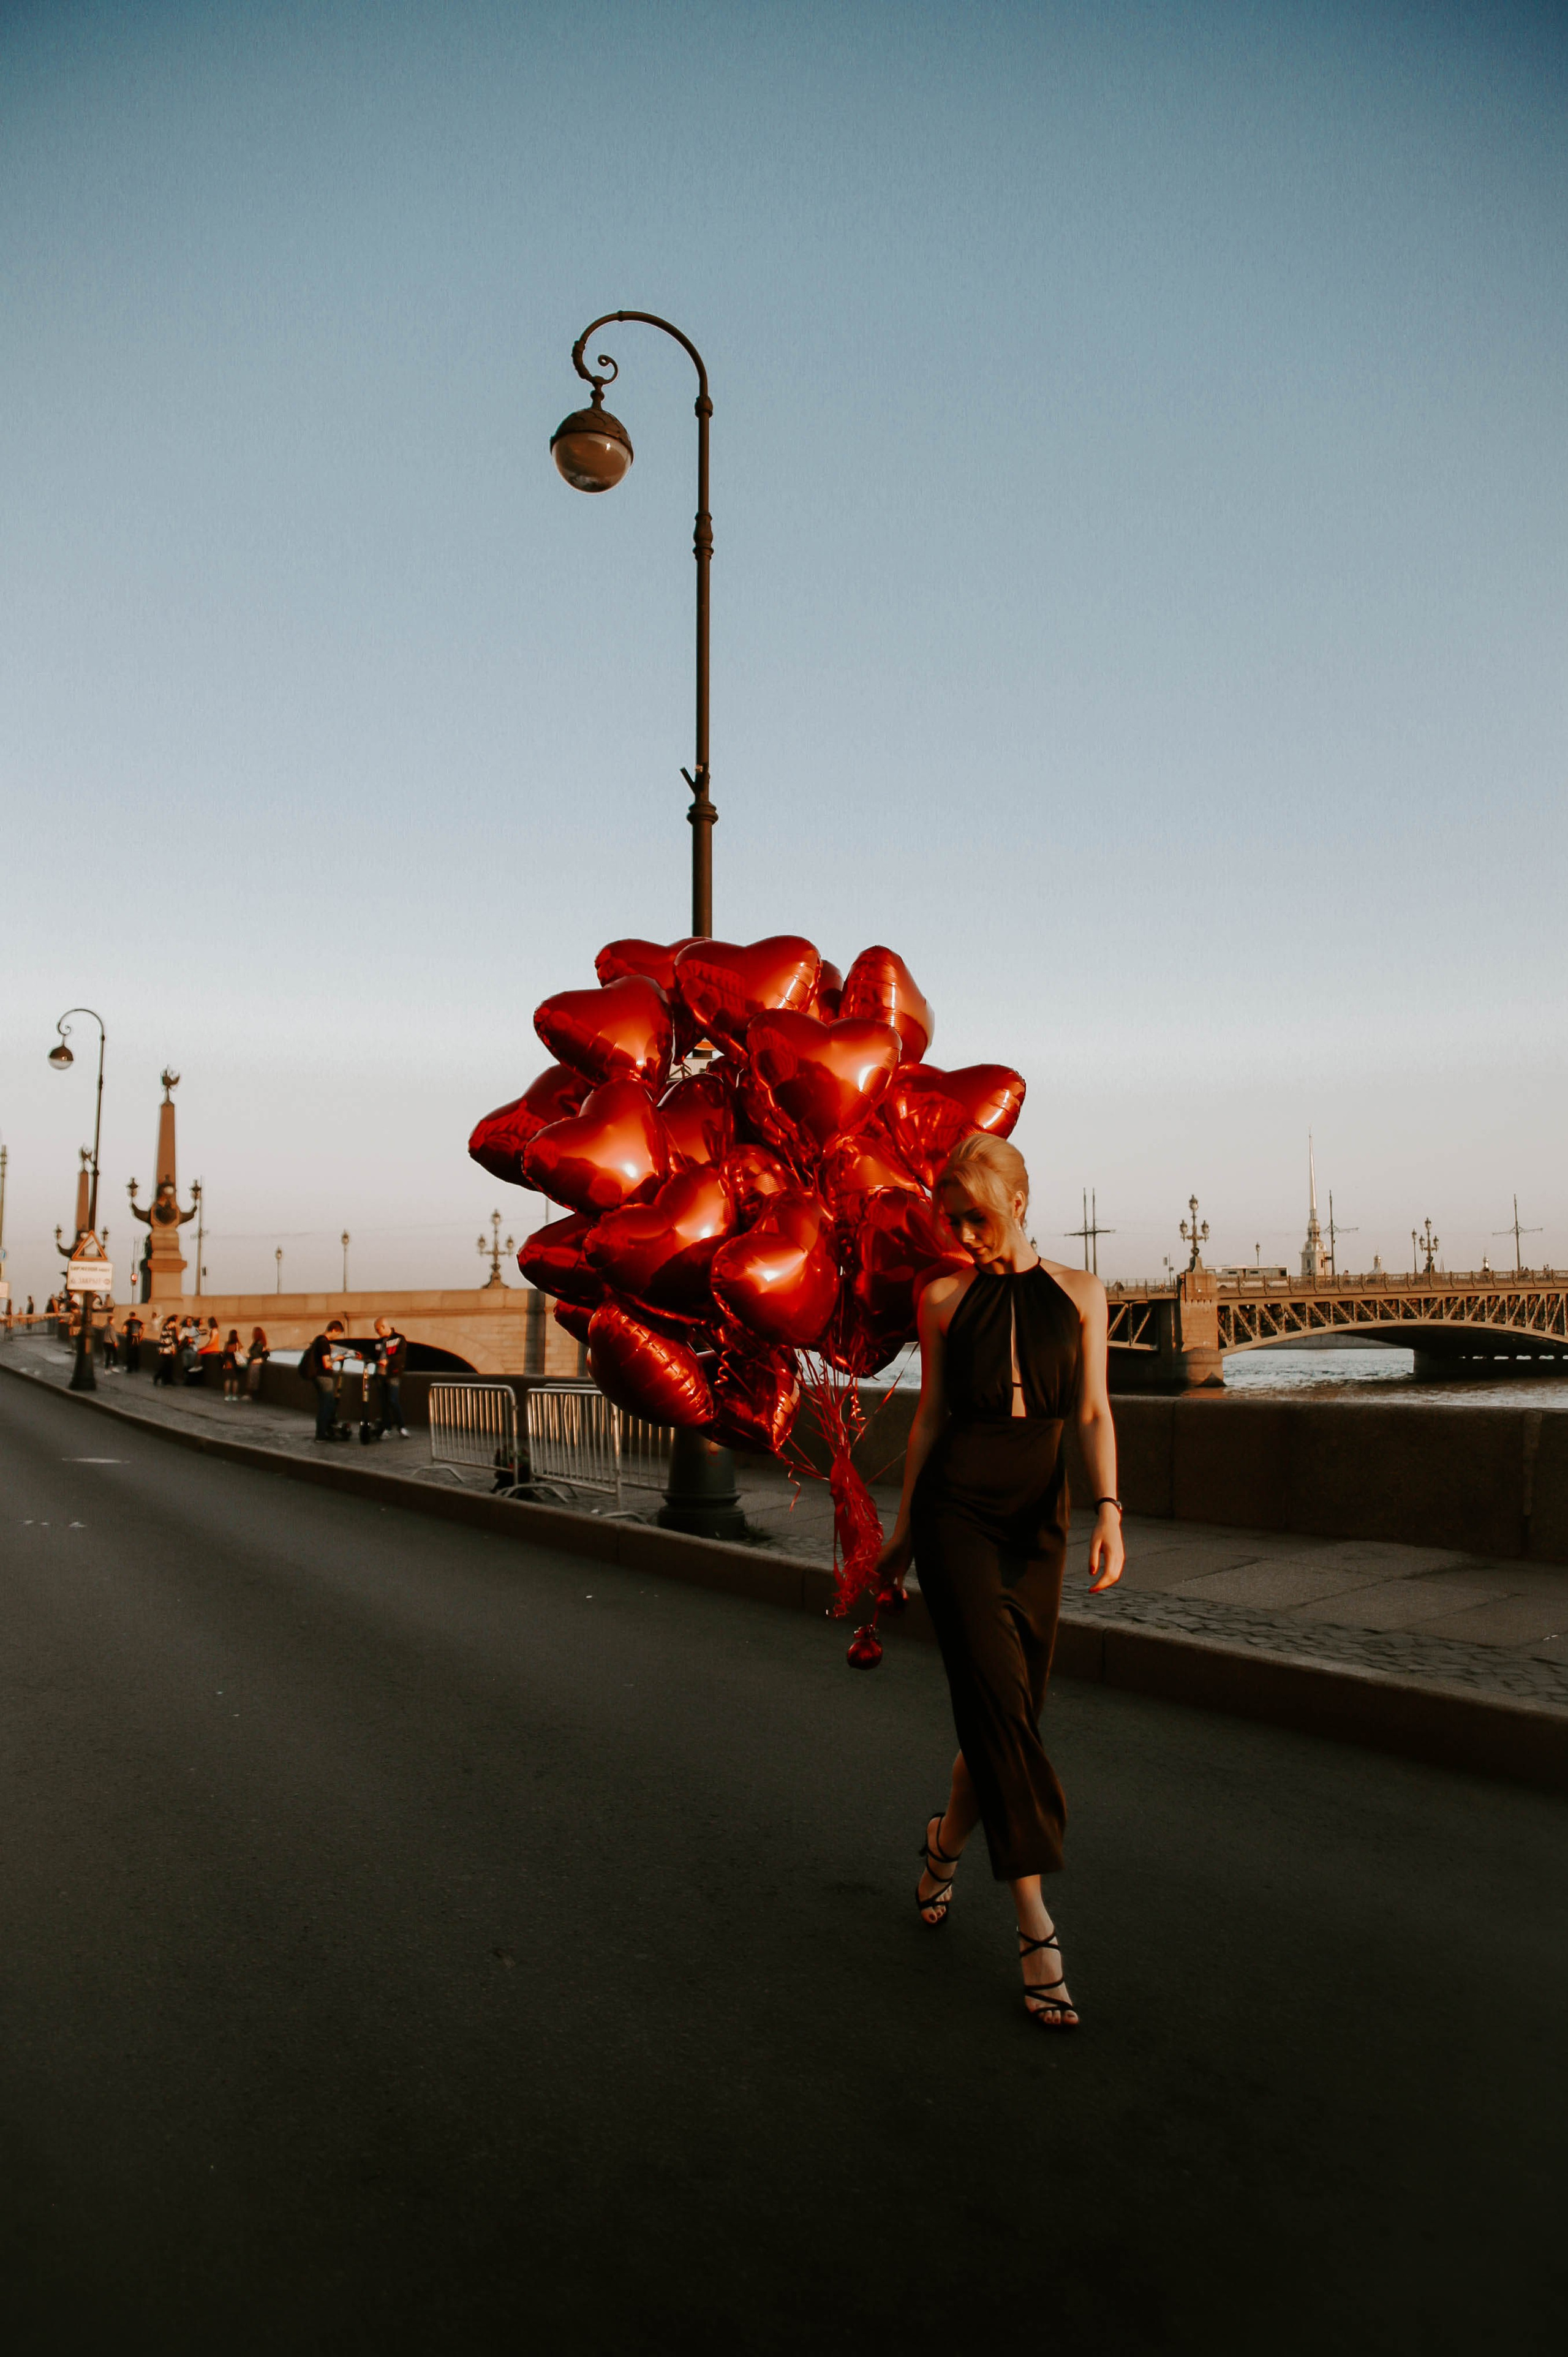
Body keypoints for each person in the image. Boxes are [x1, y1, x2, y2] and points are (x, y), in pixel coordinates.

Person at [873, 1133, 1125, 2032]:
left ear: (1019, 1199)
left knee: (1009, 1715)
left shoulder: (1083, 1294)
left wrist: (1111, 1512)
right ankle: (1035, 1929)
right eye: (952, 1221)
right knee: (998, 1709)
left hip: (1040, 1518)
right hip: (958, 1516)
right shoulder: (941, 1299)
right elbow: (931, 1420)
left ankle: (942, 1848)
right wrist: (902, 1536)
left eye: (975, 1217)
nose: (964, 1234)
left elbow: (1093, 1410)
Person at [302, 1320, 347, 1441]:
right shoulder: (324, 1343)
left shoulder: (318, 1339)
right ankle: (321, 1435)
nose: (336, 1337)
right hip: (324, 1378)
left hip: (317, 1377)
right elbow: (326, 1364)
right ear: (333, 1330)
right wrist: (338, 1359)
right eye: (337, 1334)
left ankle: (326, 1431)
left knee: (327, 1405)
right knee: (326, 1406)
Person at [373, 1316, 409, 1438]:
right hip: (380, 1375)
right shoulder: (378, 1342)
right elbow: (375, 1357)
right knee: (383, 1403)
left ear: (384, 1326)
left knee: (393, 1400)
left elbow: (401, 1356)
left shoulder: (399, 1339)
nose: (377, 1332)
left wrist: (387, 1361)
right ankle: (387, 1428)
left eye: (378, 1330)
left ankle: (402, 1427)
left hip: (393, 1374)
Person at [246, 1326, 269, 1401]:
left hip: (256, 1364)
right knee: (252, 1379)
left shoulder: (260, 1344)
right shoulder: (256, 1343)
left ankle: (252, 1395)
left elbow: (264, 1355)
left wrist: (258, 1360)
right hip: (253, 1364)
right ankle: (251, 1395)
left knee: (254, 1380)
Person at [221, 1329, 244, 1401]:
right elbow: (240, 1354)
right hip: (235, 1363)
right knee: (235, 1380)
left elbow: (224, 1353)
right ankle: (234, 1396)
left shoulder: (227, 1344)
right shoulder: (237, 1344)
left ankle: (227, 1396)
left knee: (227, 1380)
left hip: (228, 1363)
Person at [154, 1318, 179, 1386]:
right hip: (165, 1350)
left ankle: (166, 1380)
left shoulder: (173, 1329)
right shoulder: (166, 1328)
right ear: (171, 1322)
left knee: (169, 1365)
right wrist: (173, 1348)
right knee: (166, 1365)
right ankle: (157, 1377)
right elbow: (167, 1340)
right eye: (174, 1323)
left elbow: (174, 1339)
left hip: (169, 1350)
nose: (175, 1324)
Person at [123, 1310, 144, 1375]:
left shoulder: (128, 1322)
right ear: (135, 1316)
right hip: (137, 1340)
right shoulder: (138, 1322)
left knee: (130, 1354)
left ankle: (130, 1369)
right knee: (136, 1354)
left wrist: (125, 1333)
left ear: (130, 1316)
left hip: (130, 1339)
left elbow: (124, 1330)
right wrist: (141, 1336)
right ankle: (136, 1368)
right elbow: (143, 1327)